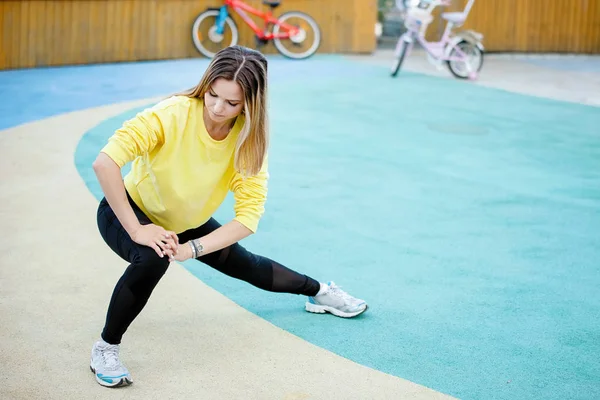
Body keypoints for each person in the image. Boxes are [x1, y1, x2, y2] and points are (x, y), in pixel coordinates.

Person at [89, 45, 368, 388]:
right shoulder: (173, 113)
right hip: (128, 211)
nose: (218, 108)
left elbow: (248, 218)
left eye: (232, 103)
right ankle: (106, 348)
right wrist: (137, 229)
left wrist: (193, 248)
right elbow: (105, 162)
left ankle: (320, 292)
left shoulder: (247, 142)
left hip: (186, 223)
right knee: (152, 258)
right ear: (206, 85)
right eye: (213, 95)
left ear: (251, 104)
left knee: (245, 264)